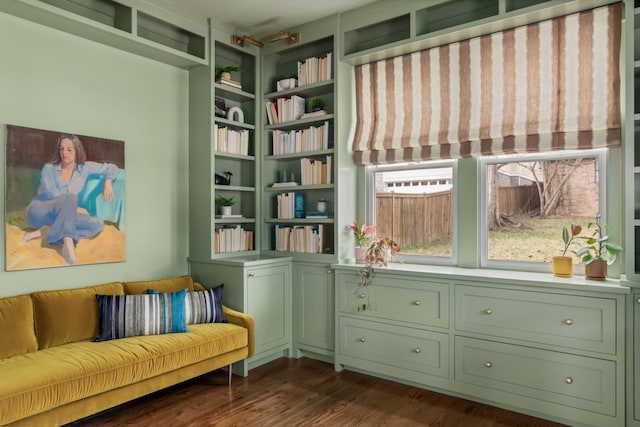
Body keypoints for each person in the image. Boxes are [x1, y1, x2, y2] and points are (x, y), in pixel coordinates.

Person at [22, 134, 119, 265]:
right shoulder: (49, 169)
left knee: (97, 224)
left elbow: (112, 168)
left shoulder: (84, 168)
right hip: (40, 211)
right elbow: (53, 194)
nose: (64, 153)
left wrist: (108, 181)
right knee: (71, 197)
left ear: (77, 151)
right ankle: (68, 243)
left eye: (69, 150)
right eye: (61, 149)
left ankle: (47, 231)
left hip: (63, 215)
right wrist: (74, 206)